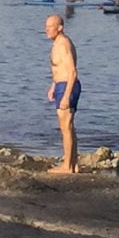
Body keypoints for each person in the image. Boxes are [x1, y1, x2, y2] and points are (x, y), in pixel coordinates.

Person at [45, 14, 80, 174]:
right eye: (46, 26)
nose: (47, 29)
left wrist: (66, 95)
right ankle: (74, 164)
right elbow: (60, 68)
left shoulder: (63, 44)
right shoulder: (57, 43)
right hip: (61, 85)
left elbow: (72, 71)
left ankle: (67, 166)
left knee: (66, 127)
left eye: (50, 26)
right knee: (69, 127)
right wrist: (53, 86)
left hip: (68, 86)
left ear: (60, 28)